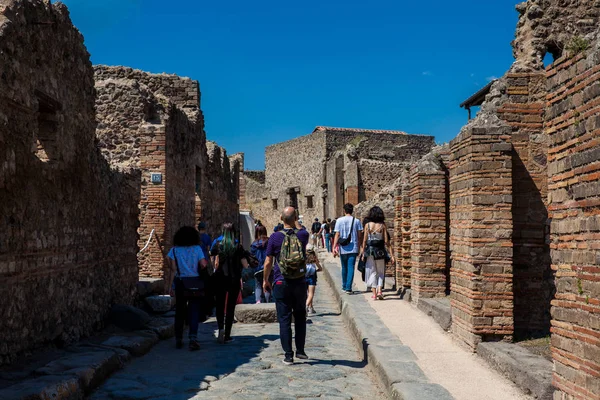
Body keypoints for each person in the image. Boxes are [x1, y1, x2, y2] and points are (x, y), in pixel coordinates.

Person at [263, 206, 310, 365]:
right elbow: (300, 229)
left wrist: (265, 280)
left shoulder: (275, 237)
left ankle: (288, 355)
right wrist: (295, 221)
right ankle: (301, 351)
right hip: (299, 282)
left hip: (280, 281)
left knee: (284, 319)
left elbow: (268, 262)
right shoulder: (303, 235)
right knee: (300, 316)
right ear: (296, 218)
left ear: (281, 219)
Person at [166, 226, 208, 351]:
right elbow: (203, 264)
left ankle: (178, 338)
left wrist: (169, 287)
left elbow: (172, 269)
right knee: (194, 310)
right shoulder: (197, 249)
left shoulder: (174, 251)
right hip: (195, 282)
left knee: (180, 311)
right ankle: (193, 338)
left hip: (180, 283)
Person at [210, 223, 249, 344]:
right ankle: (227, 334)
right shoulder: (237, 245)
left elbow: (213, 260)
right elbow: (245, 265)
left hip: (220, 278)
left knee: (220, 305)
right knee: (231, 307)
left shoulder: (217, 243)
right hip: (234, 279)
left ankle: (220, 328)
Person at [360, 206, 394, 300]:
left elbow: (364, 241)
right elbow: (387, 241)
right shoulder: (382, 225)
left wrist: (363, 253)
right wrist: (391, 255)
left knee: (372, 272)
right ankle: (380, 291)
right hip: (380, 252)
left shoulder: (368, 225)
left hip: (370, 251)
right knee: (380, 272)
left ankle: (374, 294)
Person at [333, 203, 363, 294]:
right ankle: (348, 288)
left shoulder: (339, 220)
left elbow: (337, 234)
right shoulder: (356, 221)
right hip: (353, 246)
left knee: (344, 267)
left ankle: (344, 285)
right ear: (352, 210)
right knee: (351, 267)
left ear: (344, 210)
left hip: (343, 247)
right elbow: (359, 235)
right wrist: (360, 246)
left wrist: (334, 246)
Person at [251, 225, 270, 303]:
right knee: (268, 284)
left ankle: (258, 301)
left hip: (257, 268)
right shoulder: (269, 241)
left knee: (258, 285)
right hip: (268, 267)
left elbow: (251, 256)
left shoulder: (254, 244)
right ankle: (267, 302)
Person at [305, 244, 322, 314]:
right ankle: (306, 306)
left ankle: (311, 307)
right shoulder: (314, 258)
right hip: (312, 276)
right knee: (311, 293)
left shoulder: (303, 257)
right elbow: (320, 268)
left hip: (304, 276)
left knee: (307, 294)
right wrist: (317, 270)